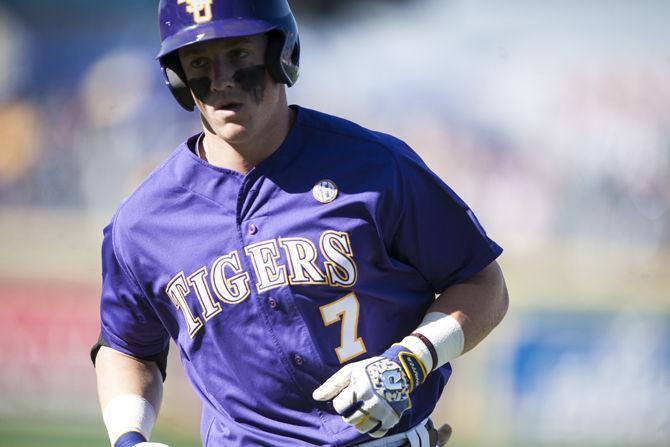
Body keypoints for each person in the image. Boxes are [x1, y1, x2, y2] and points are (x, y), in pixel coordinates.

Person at [91, 1, 509, 446]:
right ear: (177, 78)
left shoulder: (375, 168)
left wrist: (411, 359)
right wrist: (129, 438)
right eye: (198, 62)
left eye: (239, 55)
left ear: (279, 54)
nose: (221, 79)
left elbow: (484, 284)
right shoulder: (142, 222)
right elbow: (127, 345)